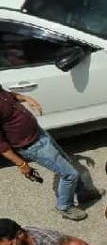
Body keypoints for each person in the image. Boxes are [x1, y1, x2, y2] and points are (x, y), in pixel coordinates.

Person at [0, 85, 91, 220]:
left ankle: (82, 193)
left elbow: (9, 95)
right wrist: (22, 165)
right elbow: (1, 145)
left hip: (39, 133)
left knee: (67, 162)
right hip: (32, 146)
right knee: (69, 174)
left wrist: (25, 98)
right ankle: (64, 207)